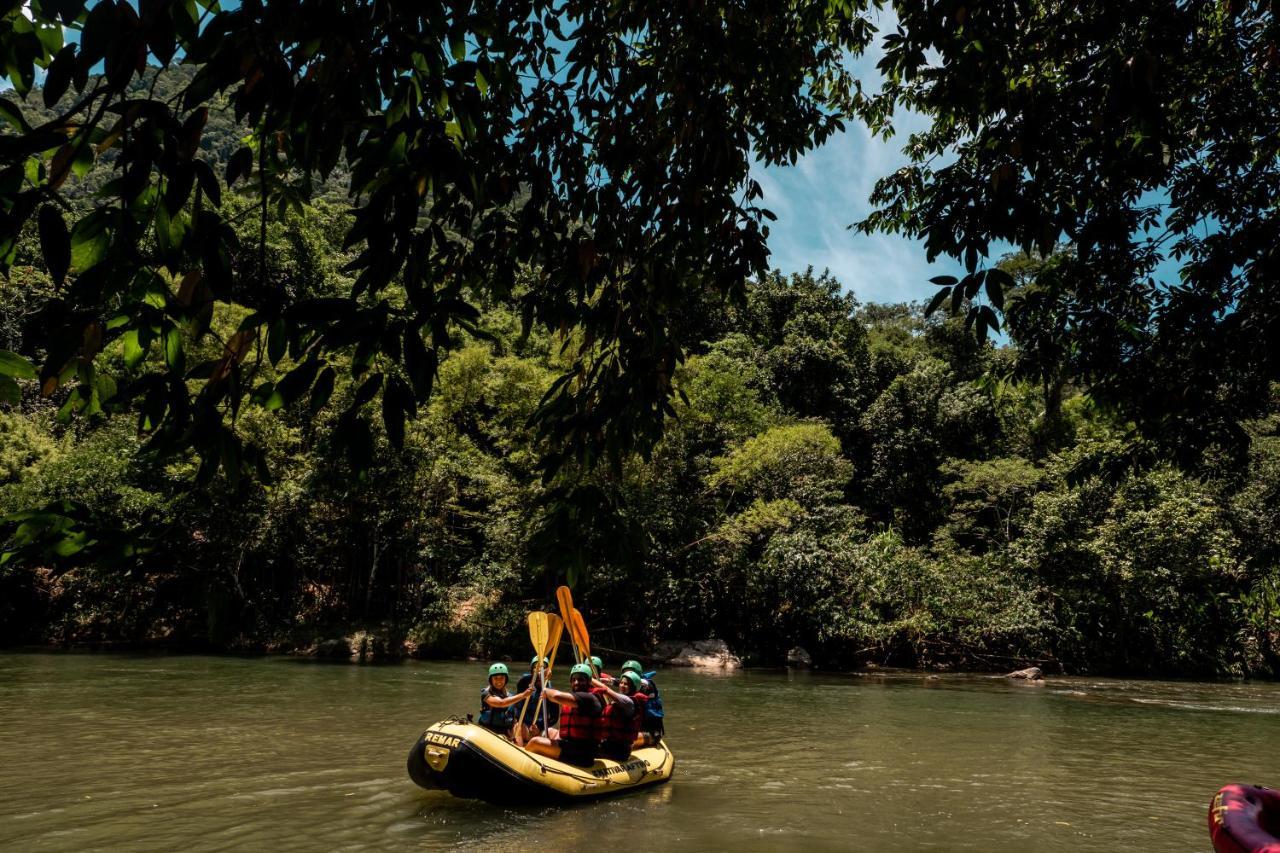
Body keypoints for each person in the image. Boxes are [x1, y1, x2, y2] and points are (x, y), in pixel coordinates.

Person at [524, 663, 604, 767]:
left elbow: (556, 696)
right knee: (550, 731)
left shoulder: (589, 698)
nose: (576, 682)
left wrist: (545, 690)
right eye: (574, 679)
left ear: (589, 682)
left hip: (582, 754)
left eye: (581, 679)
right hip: (572, 746)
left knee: (534, 742)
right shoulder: (577, 698)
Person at [596, 670, 647, 761]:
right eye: (621, 683)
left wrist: (588, 678)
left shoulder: (628, 702)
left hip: (619, 750)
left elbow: (607, 691)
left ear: (633, 687)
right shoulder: (619, 701)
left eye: (626, 684)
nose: (622, 686)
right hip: (608, 745)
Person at [478, 662, 531, 738]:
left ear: (506, 679)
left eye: (502, 678)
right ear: (491, 680)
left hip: (505, 732)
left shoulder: (511, 697)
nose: (499, 681)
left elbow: (513, 720)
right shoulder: (485, 694)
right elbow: (501, 703)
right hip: (488, 730)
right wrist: (523, 695)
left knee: (518, 726)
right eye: (495, 678)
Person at [514, 656, 558, 742]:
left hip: (538, 728)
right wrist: (538, 674)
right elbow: (523, 682)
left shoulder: (550, 691)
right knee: (518, 726)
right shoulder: (524, 683)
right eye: (536, 667)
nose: (539, 670)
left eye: (543, 668)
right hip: (524, 726)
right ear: (531, 671)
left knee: (553, 732)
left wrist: (539, 727)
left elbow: (554, 718)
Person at [621, 659, 664, 744]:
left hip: (652, 733)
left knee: (625, 742)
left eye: (631, 673)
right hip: (636, 730)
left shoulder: (646, 685)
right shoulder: (627, 688)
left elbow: (637, 682)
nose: (629, 676)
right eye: (625, 674)